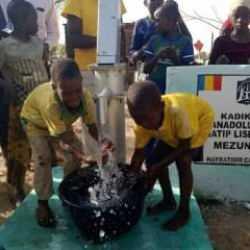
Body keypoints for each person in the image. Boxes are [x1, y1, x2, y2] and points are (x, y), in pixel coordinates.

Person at [21, 58, 111, 227]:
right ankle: (42, 203)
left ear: (82, 83)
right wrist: (85, 156)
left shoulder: (85, 98)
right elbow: (61, 139)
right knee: (43, 158)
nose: (74, 97)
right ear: (55, 88)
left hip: (60, 124)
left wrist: (102, 144)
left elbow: (92, 125)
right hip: (35, 123)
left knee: (74, 157)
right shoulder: (51, 104)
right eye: (67, 93)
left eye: (77, 90)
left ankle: (69, 192)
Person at [128, 81, 214, 231]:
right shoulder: (144, 120)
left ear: (160, 107)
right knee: (154, 160)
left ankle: (184, 211)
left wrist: (158, 167)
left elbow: (184, 145)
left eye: (146, 119)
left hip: (198, 122)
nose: (143, 124)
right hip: (172, 131)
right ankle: (168, 200)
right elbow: (139, 153)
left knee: (183, 161)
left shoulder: (178, 112)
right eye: (137, 119)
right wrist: (131, 180)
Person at [0, 0, 49, 201]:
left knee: (45, 146)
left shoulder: (39, 44)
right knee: (19, 150)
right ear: (19, 21)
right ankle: (17, 187)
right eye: (33, 20)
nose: (37, 24)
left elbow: (43, 67)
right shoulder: (4, 46)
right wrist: (7, 85)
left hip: (43, 104)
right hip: (20, 105)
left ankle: (46, 185)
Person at [61, 0, 126, 94]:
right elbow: (73, 39)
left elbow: (120, 32)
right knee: (91, 107)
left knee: (114, 107)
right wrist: (103, 41)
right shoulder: (74, 1)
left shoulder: (115, 1)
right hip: (87, 72)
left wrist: (122, 61)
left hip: (113, 70)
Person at [143, 1, 194, 94]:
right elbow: (145, 69)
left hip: (176, 92)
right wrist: (158, 56)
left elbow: (188, 73)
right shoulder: (154, 40)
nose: (157, 24)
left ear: (170, 21)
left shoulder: (185, 42)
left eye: (160, 20)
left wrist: (175, 59)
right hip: (155, 92)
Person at [128, 0, 164, 65]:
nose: (157, 2)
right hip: (147, 69)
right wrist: (147, 46)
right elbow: (132, 55)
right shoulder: (141, 24)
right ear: (145, 3)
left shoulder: (172, 23)